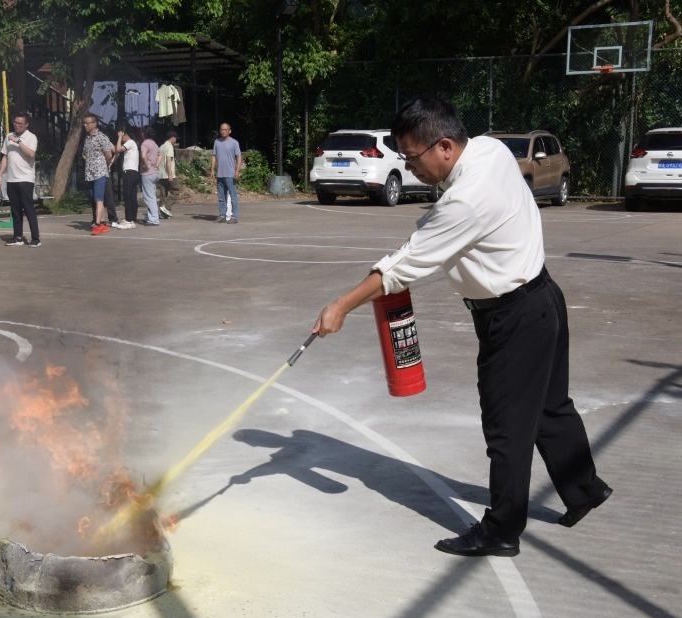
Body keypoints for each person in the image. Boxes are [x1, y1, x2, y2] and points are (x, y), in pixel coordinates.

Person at [313, 95, 611, 558]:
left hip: (514, 317)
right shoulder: (490, 148)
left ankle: (501, 531)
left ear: (445, 146)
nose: (409, 167)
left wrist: (341, 305)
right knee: (551, 407)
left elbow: (405, 264)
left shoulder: (466, 201)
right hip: (543, 297)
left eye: (412, 156)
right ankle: (585, 489)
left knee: (507, 427)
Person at [0, 113, 41, 248]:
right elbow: (5, 157)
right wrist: (0, 175)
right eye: (15, 123)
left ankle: (35, 238)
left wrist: (18, 142)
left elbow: (31, 154)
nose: (17, 125)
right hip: (11, 178)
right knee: (15, 209)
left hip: (26, 178)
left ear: (26, 125)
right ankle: (17, 236)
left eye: (20, 124)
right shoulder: (8, 136)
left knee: (28, 208)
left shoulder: (31, 137)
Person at [81, 114, 114, 236]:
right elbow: (84, 153)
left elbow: (109, 155)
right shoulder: (87, 138)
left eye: (87, 123)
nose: (85, 125)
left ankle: (98, 223)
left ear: (94, 124)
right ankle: (103, 222)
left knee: (98, 199)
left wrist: (103, 164)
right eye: (84, 123)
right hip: (90, 173)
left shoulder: (102, 137)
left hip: (100, 172)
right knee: (93, 198)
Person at [210, 122, 242, 224]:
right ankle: (222, 215)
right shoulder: (217, 142)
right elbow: (214, 156)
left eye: (225, 129)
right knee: (221, 197)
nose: (223, 131)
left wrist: (237, 171)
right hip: (220, 174)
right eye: (221, 129)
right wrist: (212, 170)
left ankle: (234, 216)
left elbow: (239, 157)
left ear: (229, 131)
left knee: (233, 196)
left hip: (230, 174)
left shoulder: (234, 143)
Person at [114, 128, 139, 229]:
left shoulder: (130, 142)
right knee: (132, 196)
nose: (121, 138)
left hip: (129, 172)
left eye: (122, 135)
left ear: (126, 134)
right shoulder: (133, 144)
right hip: (134, 172)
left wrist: (119, 137)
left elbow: (118, 149)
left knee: (128, 196)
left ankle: (129, 220)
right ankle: (132, 219)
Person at [139, 126, 161, 227]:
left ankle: (154, 219)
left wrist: (147, 166)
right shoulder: (154, 144)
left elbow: (143, 156)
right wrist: (156, 165)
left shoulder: (145, 143)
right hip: (155, 172)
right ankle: (150, 217)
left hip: (147, 173)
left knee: (149, 197)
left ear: (144, 133)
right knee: (152, 196)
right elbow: (160, 154)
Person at [157, 130, 180, 219]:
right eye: (175, 139)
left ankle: (162, 213)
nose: (176, 141)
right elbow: (168, 161)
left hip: (161, 174)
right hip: (168, 174)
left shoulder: (161, 146)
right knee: (176, 190)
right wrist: (170, 174)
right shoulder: (169, 146)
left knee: (163, 193)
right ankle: (166, 207)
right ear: (172, 138)